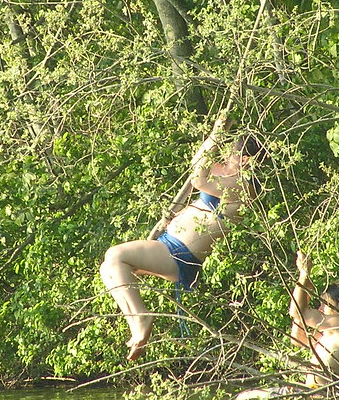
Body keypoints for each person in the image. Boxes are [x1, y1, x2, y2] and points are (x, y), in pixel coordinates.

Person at [100, 127, 265, 361]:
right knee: (108, 268)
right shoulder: (226, 174)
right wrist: (216, 131)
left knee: (116, 255)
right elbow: (197, 165)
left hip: (181, 253)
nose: (227, 156)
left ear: (246, 159)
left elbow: (199, 179)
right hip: (169, 243)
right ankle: (136, 325)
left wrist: (216, 136)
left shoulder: (244, 185)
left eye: (232, 153)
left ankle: (143, 317)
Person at [288, 251, 339, 385]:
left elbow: (296, 312)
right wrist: (305, 294)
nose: (320, 309)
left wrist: (304, 275)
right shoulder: (334, 332)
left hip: (323, 394)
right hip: (322, 393)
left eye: (325, 303)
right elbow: (297, 338)